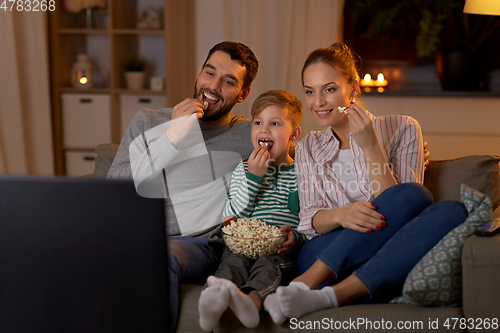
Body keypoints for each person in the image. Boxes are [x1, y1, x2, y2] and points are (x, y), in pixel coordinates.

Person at [263, 42, 468, 324]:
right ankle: (308, 282)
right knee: (413, 197)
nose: (318, 102)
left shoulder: (404, 128)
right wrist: (344, 214)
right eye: (310, 91)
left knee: (451, 210)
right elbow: (310, 219)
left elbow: (406, 210)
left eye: (329, 89)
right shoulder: (309, 145)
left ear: (354, 89)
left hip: (383, 252)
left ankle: (324, 296)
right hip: (322, 253)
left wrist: (371, 146)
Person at [107, 41, 259, 332]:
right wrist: (172, 138)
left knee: (157, 257)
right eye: (209, 73)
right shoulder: (149, 120)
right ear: (199, 72)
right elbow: (116, 185)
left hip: (195, 246)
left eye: (228, 82)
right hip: (135, 235)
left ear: (243, 93)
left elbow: (300, 154)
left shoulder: (248, 134)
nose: (213, 86)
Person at [197, 90, 306, 331]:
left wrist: (295, 238)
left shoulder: (302, 175)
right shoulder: (242, 170)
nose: (264, 130)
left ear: (294, 134)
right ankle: (213, 302)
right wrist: (254, 178)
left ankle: (251, 302)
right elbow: (231, 217)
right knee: (231, 263)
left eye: (274, 123)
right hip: (241, 244)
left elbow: (308, 221)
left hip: (277, 249)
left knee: (269, 266)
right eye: (258, 123)